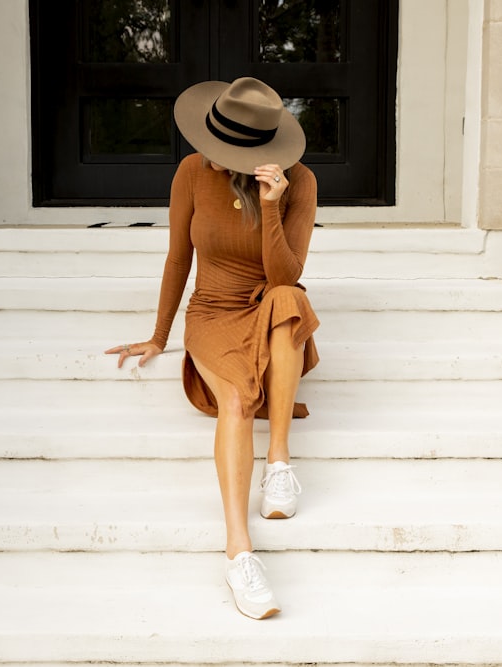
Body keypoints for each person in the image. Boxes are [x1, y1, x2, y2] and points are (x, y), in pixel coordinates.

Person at [106, 77, 319, 620]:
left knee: (289, 297)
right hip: (212, 313)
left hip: (268, 302)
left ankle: (278, 463)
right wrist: (159, 335)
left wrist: (272, 206)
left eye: (231, 154)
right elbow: (179, 257)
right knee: (234, 402)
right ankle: (239, 553)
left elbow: (286, 272)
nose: (216, 159)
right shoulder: (191, 173)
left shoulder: (300, 182)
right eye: (215, 147)